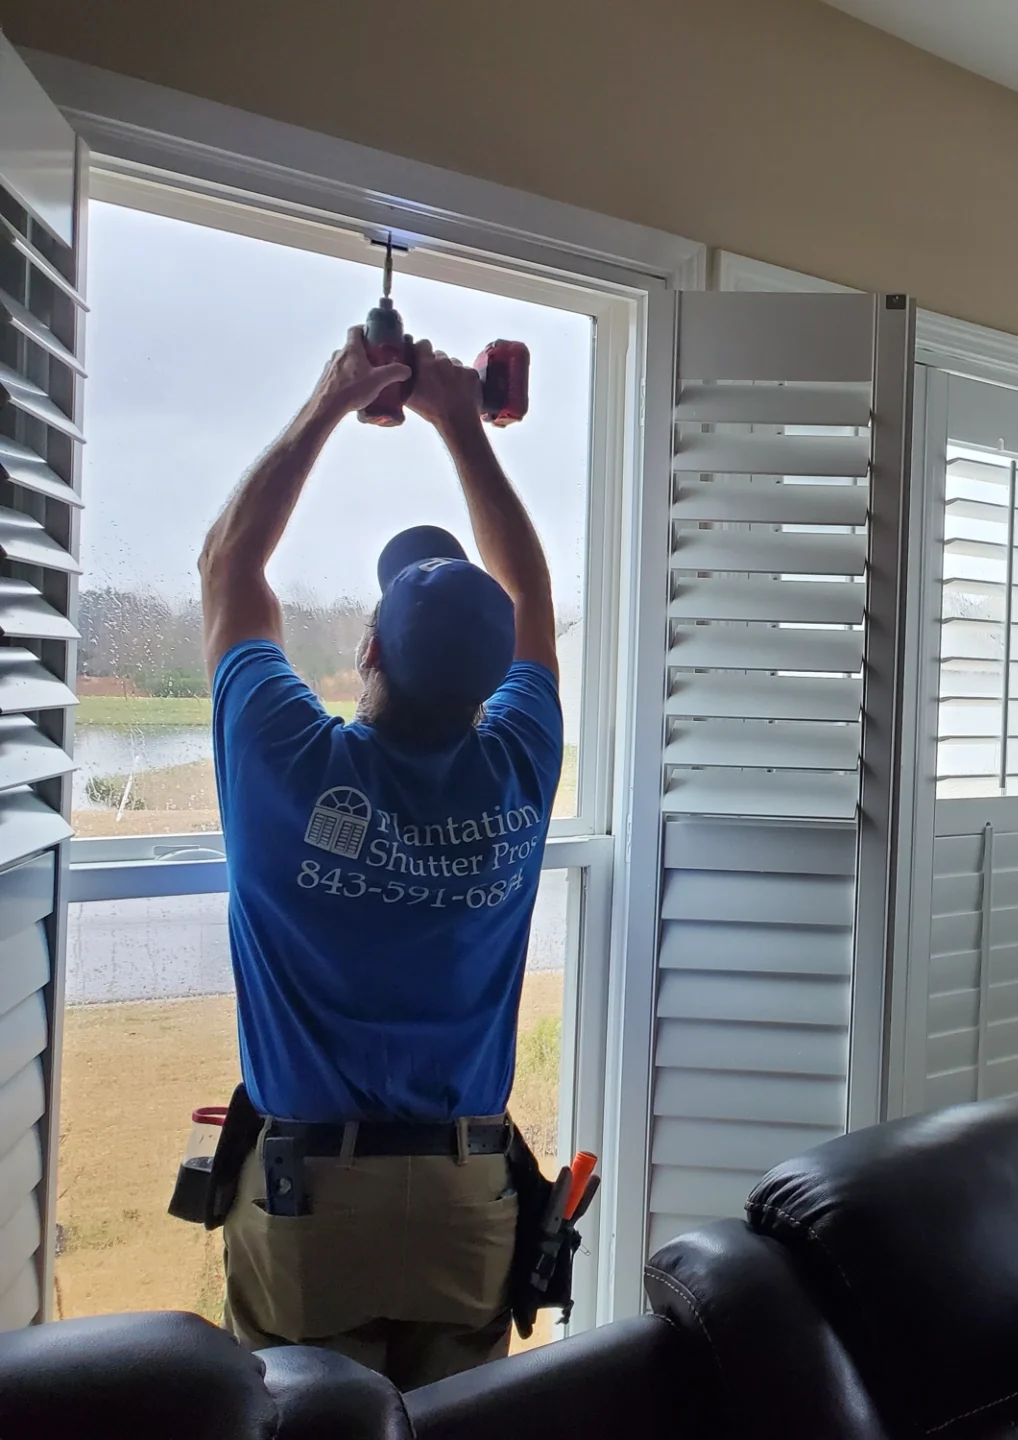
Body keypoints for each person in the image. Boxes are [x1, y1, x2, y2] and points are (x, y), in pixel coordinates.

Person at [198, 327, 562, 1387]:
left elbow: (231, 564)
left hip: (314, 1201)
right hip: (469, 1200)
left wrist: (327, 402)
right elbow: (531, 600)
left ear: (365, 651)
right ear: (490, 685)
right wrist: (462, 425)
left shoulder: (284, 762)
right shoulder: (519, 769)